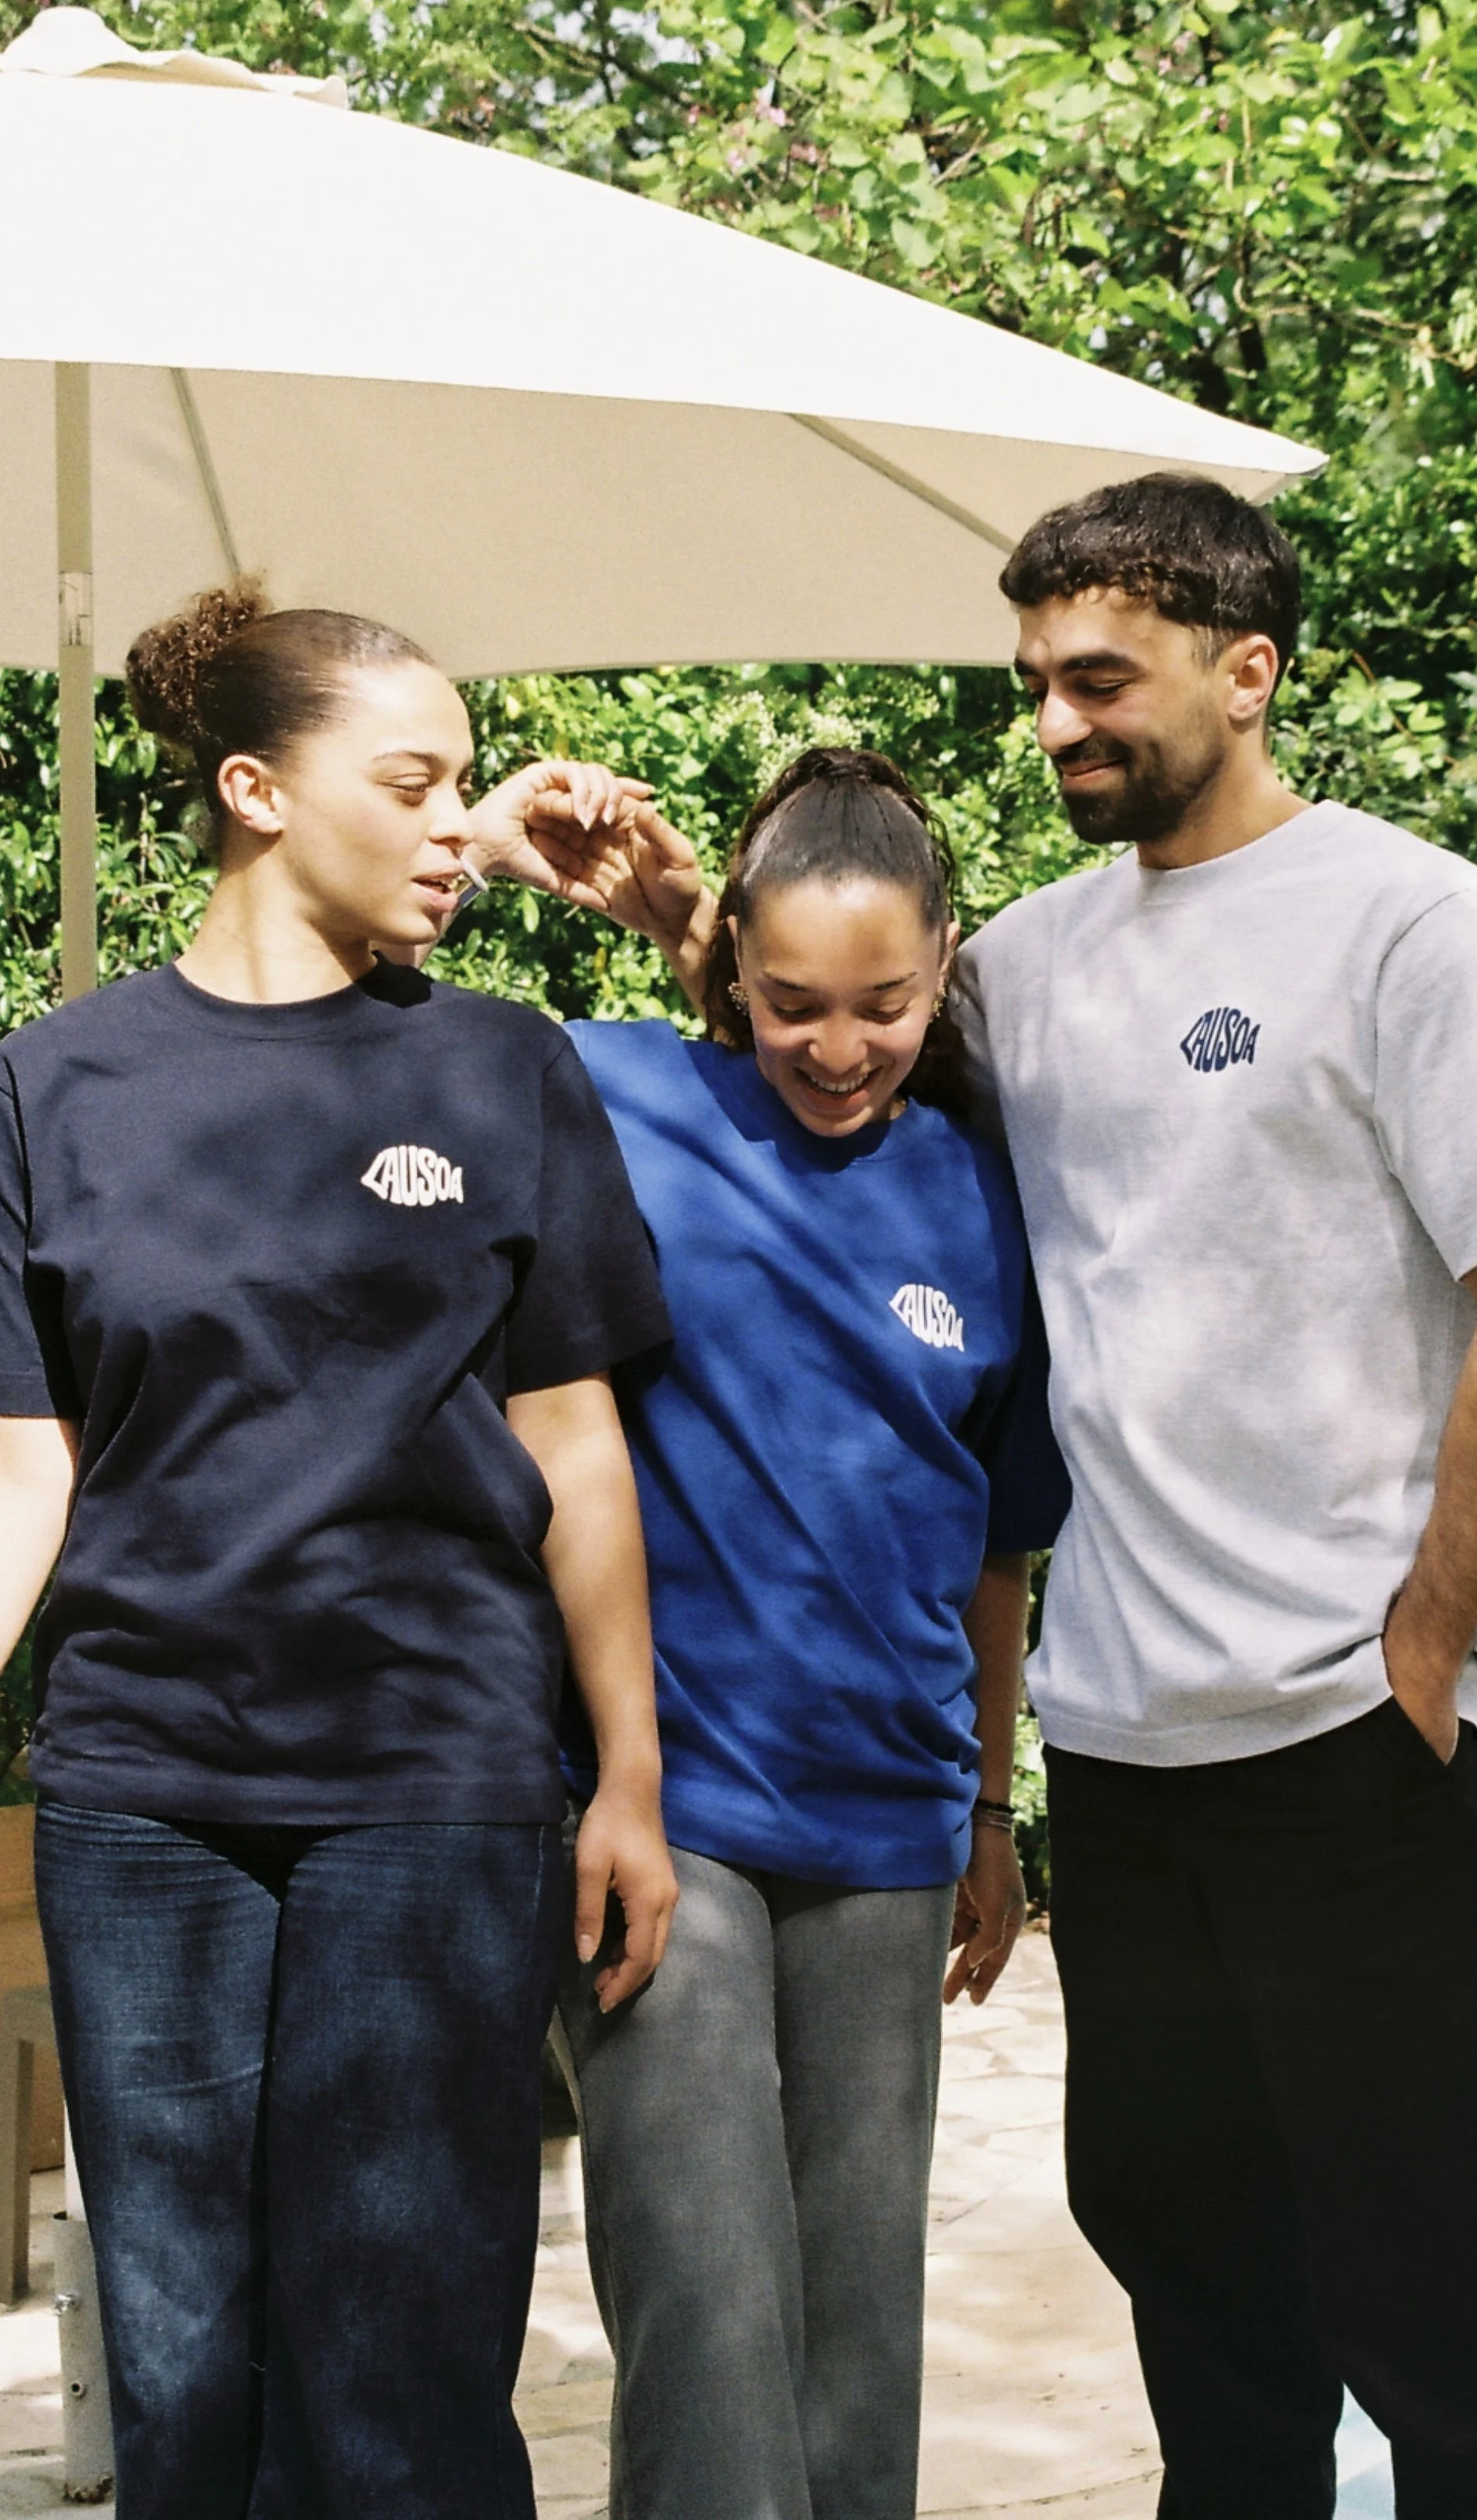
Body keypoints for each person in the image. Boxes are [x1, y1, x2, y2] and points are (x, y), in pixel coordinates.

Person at [0, 587, 678, 2520]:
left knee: (403, 2368)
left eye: (463, 782)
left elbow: (577, 1449)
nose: (461, 825)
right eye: (416, 782)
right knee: (187, 2361)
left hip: (435, 1789)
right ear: (255, 790)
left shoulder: (502, 1070)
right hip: (144, 1806)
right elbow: (13, 1473)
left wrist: (625, 1772)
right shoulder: (57, 1089)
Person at [955, 474, 1477, 2520]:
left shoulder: (1414, 925)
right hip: (1131, 1754)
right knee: (1210, 2323)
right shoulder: (1022, 961)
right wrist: (655, 906)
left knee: (1459, 2337)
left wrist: (1427, 1643)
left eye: (1102, 678)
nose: (1061, 724)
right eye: (1036, 685)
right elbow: (839, 1030)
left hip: (1353, 1739)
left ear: (1246, 671)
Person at [475, 746, 1069, 2520]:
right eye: (793, 1001)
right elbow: (356, 1016)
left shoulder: (981, 1187)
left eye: (880, 1005)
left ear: (944, 966)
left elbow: (993, 1547)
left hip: (889, 1824)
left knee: (855, 2344)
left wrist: (986, 1812)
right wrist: (489, 851)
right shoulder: (608, 1092)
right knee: (713, 2317)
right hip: (666, 1814)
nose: (835, 1046)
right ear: (727, 962)